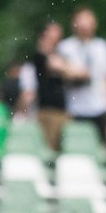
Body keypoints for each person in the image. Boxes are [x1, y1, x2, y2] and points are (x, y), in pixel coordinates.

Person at [57, 7, 106, 147]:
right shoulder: (65, 47)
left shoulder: (102, 47)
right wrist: (77, 73)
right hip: (75, 107)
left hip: (99, 106)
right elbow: (61, 73)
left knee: (101, 147)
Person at [19, 20, 73, 153]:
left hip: (61, 109)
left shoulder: (59, 56)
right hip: (47, 110)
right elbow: (63, 68)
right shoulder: (39, 57)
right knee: (49, 149)